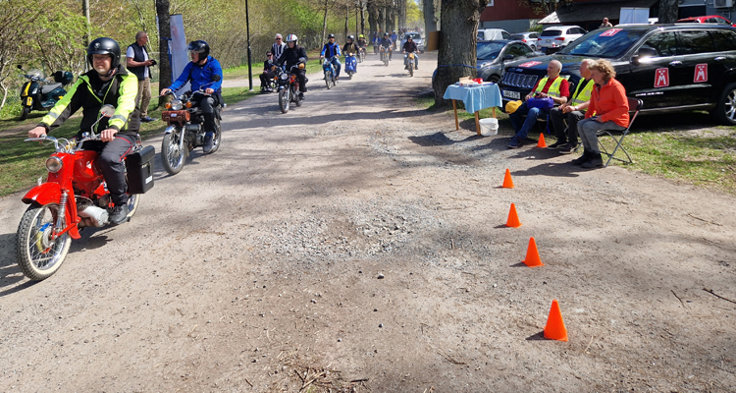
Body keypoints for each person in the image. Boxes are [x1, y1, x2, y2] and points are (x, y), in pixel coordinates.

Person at [28, 37, 139, 225]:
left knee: (108, 159)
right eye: (95, 57)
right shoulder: (85, 80)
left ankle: (121, 203)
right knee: (62, 156)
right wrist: (44, 124)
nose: (98, 61)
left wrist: (113, 127)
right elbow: (65, 104)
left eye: (104, 57)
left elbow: (125, 104)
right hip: (89, 134)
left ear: (114, 58)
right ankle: (75, 198)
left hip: (121, 133)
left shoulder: (127, 79)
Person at [159, 40, 223, 154]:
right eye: (191, 52)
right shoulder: (191, 66)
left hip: (211, 94)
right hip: (195, 94)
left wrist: (212, 87)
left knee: (206, 103)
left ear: (202, 53)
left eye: (195, 52)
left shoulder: (213, 64)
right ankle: (181, 132)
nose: (192, 55)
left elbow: (218, 78)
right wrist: (171, 88)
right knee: (178, 105)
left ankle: (209, 134)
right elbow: (181, 79)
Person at [574, 59, 629, 168]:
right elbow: (592, 105)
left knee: (588, 126)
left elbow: (623, 108)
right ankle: (588, 154)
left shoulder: (616, 87)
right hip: (601, 118)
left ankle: (596, 158)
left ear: (603, 73)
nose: (592, 76)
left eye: (594, 74)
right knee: (581, 124)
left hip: (617, 121)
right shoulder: (596, 86)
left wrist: (604, 117)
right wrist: (587, 118)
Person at [507, 60, 569, 148]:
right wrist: (528, 96)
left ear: (558, 70)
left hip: (547, 109)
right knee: (512, 109)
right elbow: (531, 93)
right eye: (548, 67)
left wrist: (548, 96)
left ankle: (520, 138)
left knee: (533, 111)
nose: (548, 69)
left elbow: (564, 100)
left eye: (551, 68)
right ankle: (519, 133)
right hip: (534, 103)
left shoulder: (563, 82)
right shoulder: (542, 80)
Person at [548, 58, 595, 154]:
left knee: (573, 115)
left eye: (582, 67)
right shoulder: (582, 80)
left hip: (587, 111)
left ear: (590, 69)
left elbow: (593, 101)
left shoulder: (595, 82)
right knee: (555, 111)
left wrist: (575, 108)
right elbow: (573, 97)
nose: (580, 69)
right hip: (573, 108)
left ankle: (572, 143)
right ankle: (561, 140)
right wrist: (565, 104)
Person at [126, 31, 155, 122]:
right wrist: (144, 63)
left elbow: (144, 61)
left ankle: (143, 115)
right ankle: (133, 117)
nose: (147, 39)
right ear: (140, 38)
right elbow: (129, 62)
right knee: (136, 98)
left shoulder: (143, 47)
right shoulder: (131, 48)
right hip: (137, 77)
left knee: (148, 95)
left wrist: (149, 63)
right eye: (145, 37)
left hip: (145, 76)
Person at [276, 33, 308, 99]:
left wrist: (302, 62)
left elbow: (305, 57)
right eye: (289, 42)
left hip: (298, 68)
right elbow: (281, 59)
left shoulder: (300, 49)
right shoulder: (286, 51)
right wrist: (276, 65)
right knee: (282, 78)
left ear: (295, 42)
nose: (290, 44)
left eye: (291, 42)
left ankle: (301, 92)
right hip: (289, 69)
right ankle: (282, 90)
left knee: (301, 75)